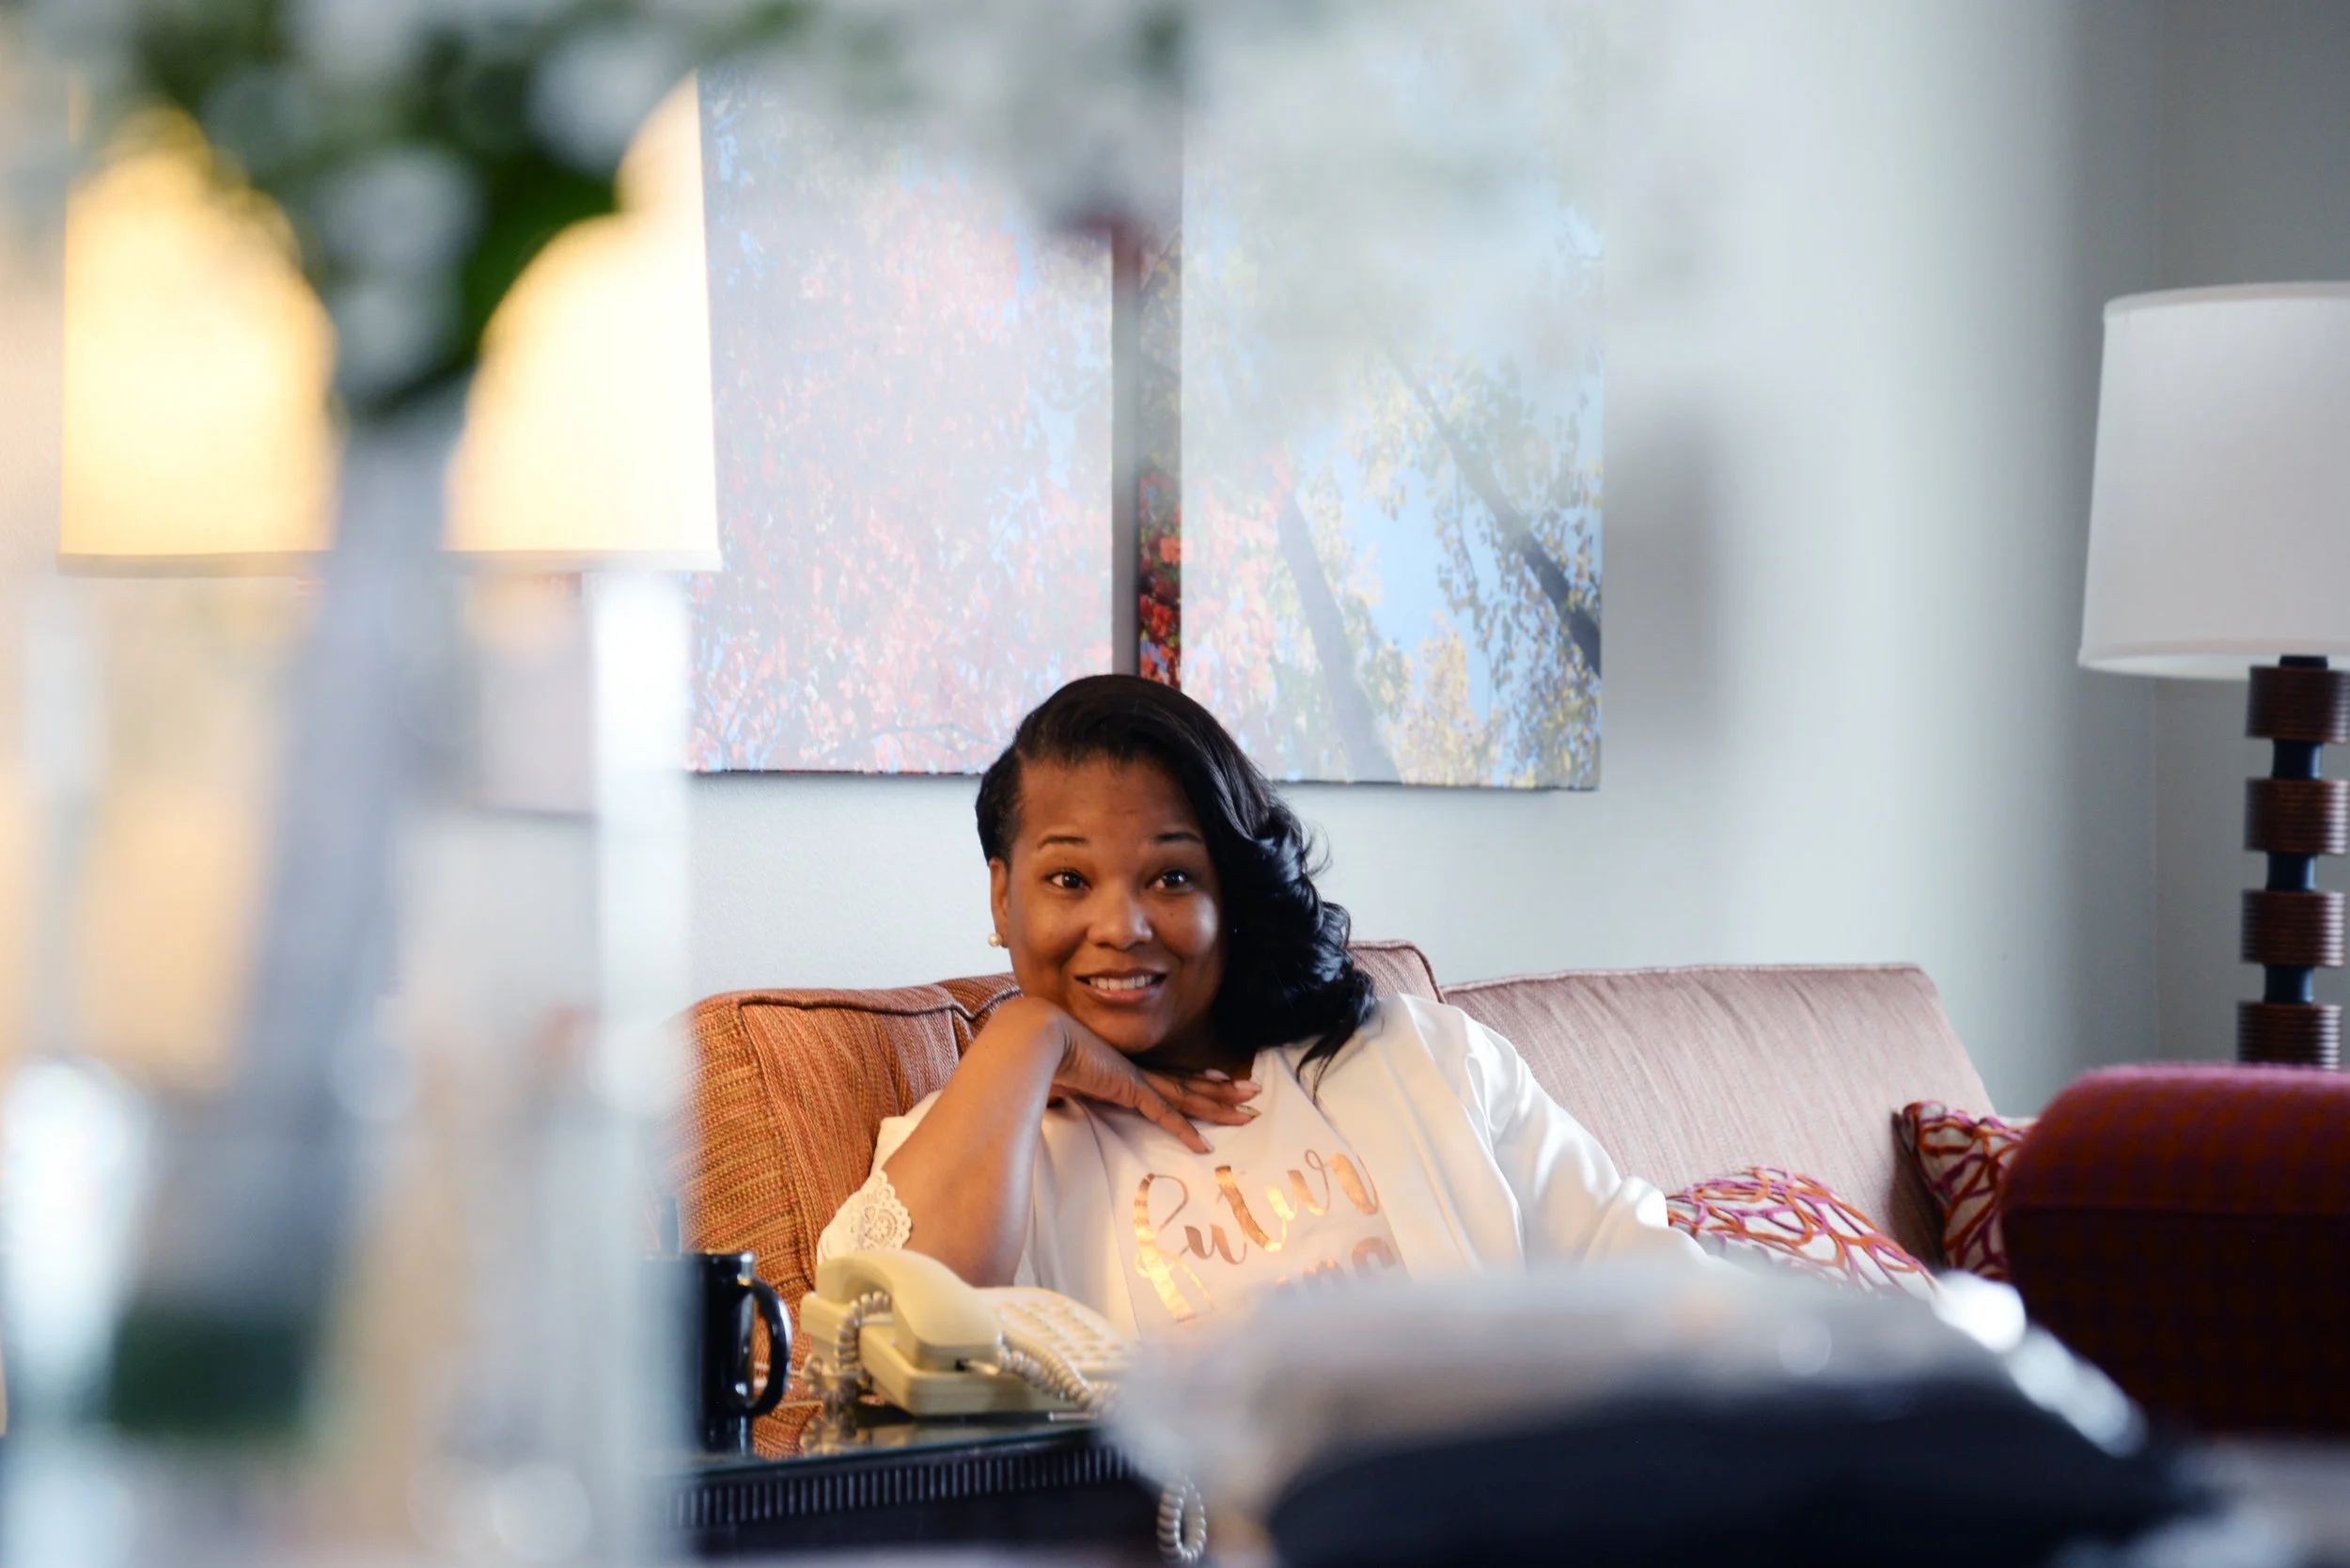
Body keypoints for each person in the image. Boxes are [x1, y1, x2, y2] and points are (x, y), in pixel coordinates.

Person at [819, 675, 1706, 1337]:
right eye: (1068, 879)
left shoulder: (1432, 1061)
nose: (1121, 927)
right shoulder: (985, 1138)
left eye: (1172, 877)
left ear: (1233, 891)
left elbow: (1660, 1288)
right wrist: (1024, 1036)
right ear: (1001, 895)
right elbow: (877, 1343)